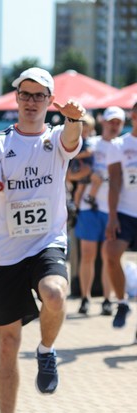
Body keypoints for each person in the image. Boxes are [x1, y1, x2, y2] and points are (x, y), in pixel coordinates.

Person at [0, 67, 84, 413]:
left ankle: (46, 350)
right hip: (6, 250)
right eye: (26, 94)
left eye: (40, 95)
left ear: (49, 101)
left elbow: (72, 138)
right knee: (7, 343)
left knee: (55, 293)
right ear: (16, 98)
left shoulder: (57, 138)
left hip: (46, 242)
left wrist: (74, 118)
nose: (32, 101)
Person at [74, 108, 123, 316]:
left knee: (109, 256)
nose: (114, 126)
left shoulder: (124, 146)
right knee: (87, 255)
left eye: (118, 123)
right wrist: (89, 174)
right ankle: (85, 298)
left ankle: (106, 300)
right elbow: (72, 174)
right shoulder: (91, 145)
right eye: (111, 121)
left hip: (114, 209)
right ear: (103, 122)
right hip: (89, 206)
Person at [104, 102, 137, 332]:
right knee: (112, 253)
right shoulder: (119, 145)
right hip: (125, 212)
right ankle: (122, 303)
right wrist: (112, 216)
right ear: (133, 116)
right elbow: (114, 182)